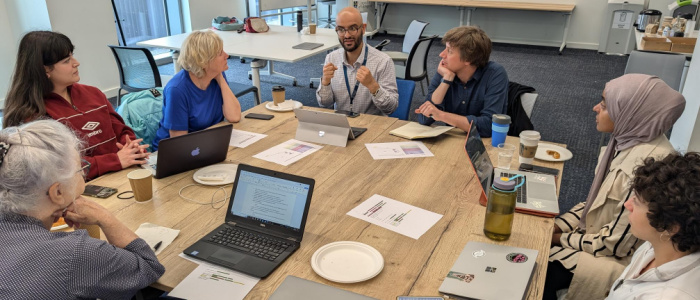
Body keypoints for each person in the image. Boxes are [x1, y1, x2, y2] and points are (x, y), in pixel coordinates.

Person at [544, 74, 686, 300]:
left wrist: (553, 237)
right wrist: (555, 226)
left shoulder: (648, 166)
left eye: (604, 104)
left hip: (615, 260)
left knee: (538, 265)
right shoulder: (626, 141)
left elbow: (614, 245)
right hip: (597, 239)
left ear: (630, 113)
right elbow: (593, 203)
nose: (595, 108)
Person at [0, 120, 165, 299]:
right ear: (57, 192)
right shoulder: (75, 254)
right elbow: (149, 268)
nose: (83, 174)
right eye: (80, 170)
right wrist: (105, 217)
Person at [2, 31, 148, 179]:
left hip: (120, 172)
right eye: (66, 61)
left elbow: (121, 131)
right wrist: (115, 161)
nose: (76, 62)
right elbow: (55, 169)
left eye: (72, 55)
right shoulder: (32, 114)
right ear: (45, 70)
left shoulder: (93, 93)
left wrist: (130, 147)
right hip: (78, 189)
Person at [606, 152, 700, 299]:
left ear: (671, 227)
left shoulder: (667, 296)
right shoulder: (659, 243)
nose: (627, 204)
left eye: (637, 202)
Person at [152, 30, 241, 150]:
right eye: (220, 53)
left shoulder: (216, 75)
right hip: (175, 153)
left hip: (206, 143)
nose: (227, 55)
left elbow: (234, 116)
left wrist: (220, 78)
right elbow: (178, 143)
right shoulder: (177, 90)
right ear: (204, 61)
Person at [415, 26, 508, 137]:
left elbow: (489, 126)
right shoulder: (446, 72)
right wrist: (446, 80)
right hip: (453, 139)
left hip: (484, 144)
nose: (441, 54)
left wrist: (441, 115)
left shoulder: (495, 74)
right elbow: (424, 118)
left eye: (449, 51)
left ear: (468, 59)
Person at [316, 7, 398, 116]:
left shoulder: (383, 61)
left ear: (363, 28)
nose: (347, 35)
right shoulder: (332, 58)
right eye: (341, 29)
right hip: (341, 125)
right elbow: (324, 104)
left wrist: (373, 86)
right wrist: (325, 82)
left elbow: (390, 108)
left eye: (352, 28)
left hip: (371, 127)